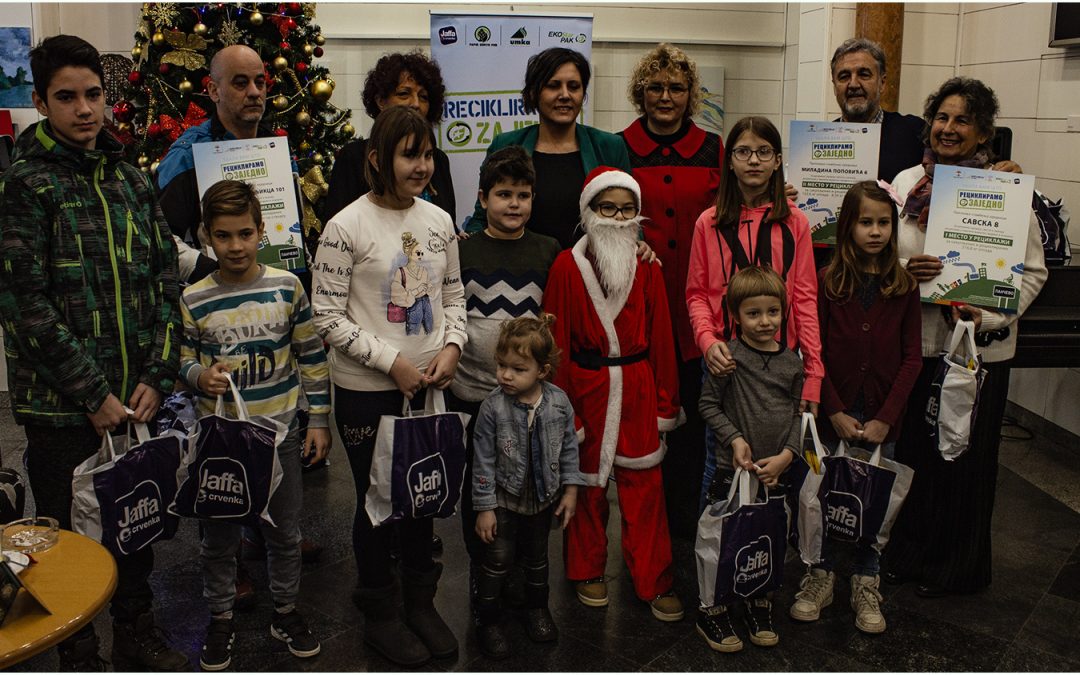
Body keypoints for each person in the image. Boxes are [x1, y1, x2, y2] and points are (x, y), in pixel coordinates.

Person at [0, 34, 187, 671]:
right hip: (61, 411)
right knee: (67, 538)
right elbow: (26, 305)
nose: (85, 110)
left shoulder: (131, 178)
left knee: (133, 521)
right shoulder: (24, 186)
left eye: (94, 95)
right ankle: (75, 646)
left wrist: (159, 375)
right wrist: (92, 394)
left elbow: (167, 281)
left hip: (136, 399)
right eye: (67, 97)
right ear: (40, 100)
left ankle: (135, 628)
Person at [310, 105, 467, 666]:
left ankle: (420, 602)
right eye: (409, 155)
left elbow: (453, 297)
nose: (421, 166)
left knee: (421, 491)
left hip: (427, 387)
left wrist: (451, 346)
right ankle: (378, 609)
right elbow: (326, 316)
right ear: (377, 159)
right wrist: (391, 362)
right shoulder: (345, 226)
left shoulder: (438, 220)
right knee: (379, 499)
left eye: (427, 154)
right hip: (367, 389)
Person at [884, 77, 1047, 597]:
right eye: (942, 117)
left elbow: (1033, 273)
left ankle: (955, 569)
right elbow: (879, 249)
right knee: (916, 456)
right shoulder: (907, 182)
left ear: (983, 133)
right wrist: (906, 268)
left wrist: (988, 315)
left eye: (962, 120)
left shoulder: (1007, 189)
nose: (949, 129)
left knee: (965, 462)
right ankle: (905, 555)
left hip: (978, 351)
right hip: (919, 346)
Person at [179, 180, 331, 670]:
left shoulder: (287, 287)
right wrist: (199, 375)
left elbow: (311, 358)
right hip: (220, 441)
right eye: (223, 236)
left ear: (262, 231)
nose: (236, 246)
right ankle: (221, 616)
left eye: (246, 233)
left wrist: (320, 420)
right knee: (219, 538)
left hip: (281, 436)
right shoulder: (195, 298)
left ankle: (285, 610)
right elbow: (181, 359)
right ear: (207, 236)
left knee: (284, 533)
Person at [542, 167, 683, 622]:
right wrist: (563, 409)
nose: (620, 218)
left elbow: (661, 337)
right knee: (586, 486)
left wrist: (666, 403)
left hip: (638, 385)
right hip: (586, 386)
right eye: (609, 208)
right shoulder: (567, 266)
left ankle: (653, 578)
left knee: (646, 488)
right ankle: (585, 570)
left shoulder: (647, 264)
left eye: (628, 209)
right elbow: (555, 340)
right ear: (589, 212)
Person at [787, 181, 922, 634]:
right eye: (866, 222)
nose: (876, 231)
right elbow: (813, 349)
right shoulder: (827, 282)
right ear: (848, 227)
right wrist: (834, 410)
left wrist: (886, 416)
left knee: (874, 503)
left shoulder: (902, 286)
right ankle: (820, 574)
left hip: (884, 418)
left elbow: (912, 357)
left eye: (884, 223)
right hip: (833, 415)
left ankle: (866, 578)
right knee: (820, 497)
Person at [685, 116, 823, 510]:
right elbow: (696, 294)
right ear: (730, 162)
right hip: (726, 362)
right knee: (722, 463)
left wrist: (813, 372)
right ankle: (717, 555)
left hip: (782, 363)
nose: (754, 161)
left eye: (764, 152)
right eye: (743, 152)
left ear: (778, 161)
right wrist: (708, 341)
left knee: (780, 466)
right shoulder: (708, 223)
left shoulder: (795, 222)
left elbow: (806, 300)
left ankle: (767, 558)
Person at [447, 145, 561, 617]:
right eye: (503, 194)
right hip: (473, 393)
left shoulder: (548, 250)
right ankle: (484, 568)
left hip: (528, 401)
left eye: (523, 195)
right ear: (482, 198)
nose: (514, 204)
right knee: (482, 485)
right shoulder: (463, 249)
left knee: (524, 481)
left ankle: (518, 569)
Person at [619, 42, 724, 535]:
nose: (666, 96)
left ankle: (689, 517)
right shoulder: (619, 147)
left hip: (700, 308)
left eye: (677, 87)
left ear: (691, 94)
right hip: (640, 303)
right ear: (641, 93)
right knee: (648, 410)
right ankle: (646, 518)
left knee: (697, 411)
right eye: (655, 87)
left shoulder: (713, 149)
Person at [696, 265, 804, 653]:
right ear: (735, 316)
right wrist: (735, 438)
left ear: (784, 311)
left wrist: (788, 456)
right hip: (732, 470)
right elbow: (707, 404)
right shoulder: (729, 358)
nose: (764, 321)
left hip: (774, 473)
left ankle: (760, 603)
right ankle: (713, 607)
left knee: (769, 538)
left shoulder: (792, 362)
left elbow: (797, 414)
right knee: (723, 539)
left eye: (772, 312)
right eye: (753, 313)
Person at [471, 314, 585, 659]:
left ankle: (536, 609)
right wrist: (485, 507)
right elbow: (483, 461)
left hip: (542, 499)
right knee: (498, 559)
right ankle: (487, 619)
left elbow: (568, 448)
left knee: (537, 559)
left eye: (518, 369)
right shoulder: (492, 408)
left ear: (542, 371)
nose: (506, 375)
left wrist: (570, 490)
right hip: (504, 499)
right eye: (502, 365)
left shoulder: (559, 403)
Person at [464, 48, 632, 249]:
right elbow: (482, 217)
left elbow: (628, 216)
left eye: (574, 86)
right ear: (534, 92)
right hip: (521, 272)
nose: (565, 95)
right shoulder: (505, 144)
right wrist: (467, 248)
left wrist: (638, 243)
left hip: (588, 271)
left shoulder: (610, 147)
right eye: (553, 86)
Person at [323, 51, 454, 223]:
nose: (415, 104)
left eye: (423, 97)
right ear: (381, 101)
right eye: (404, 94)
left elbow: (447, 221)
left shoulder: (439, 160)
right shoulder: (354, 157)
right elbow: (337, 226)